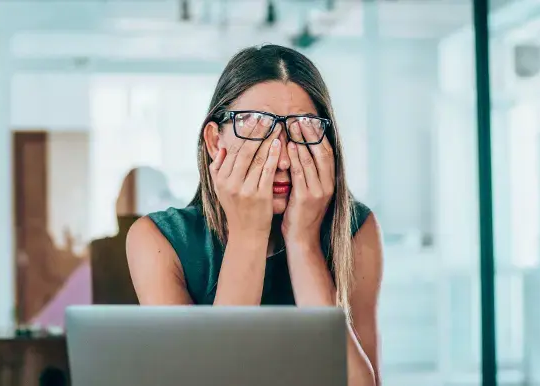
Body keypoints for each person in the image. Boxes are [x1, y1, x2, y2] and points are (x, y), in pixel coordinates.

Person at [126, 44, 384, 386]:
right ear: (215, 141)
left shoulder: (357, 230)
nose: (282, 160)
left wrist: (303, 243)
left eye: (303, 129)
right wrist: (249, 233)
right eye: (256, 126)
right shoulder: (158, 240)